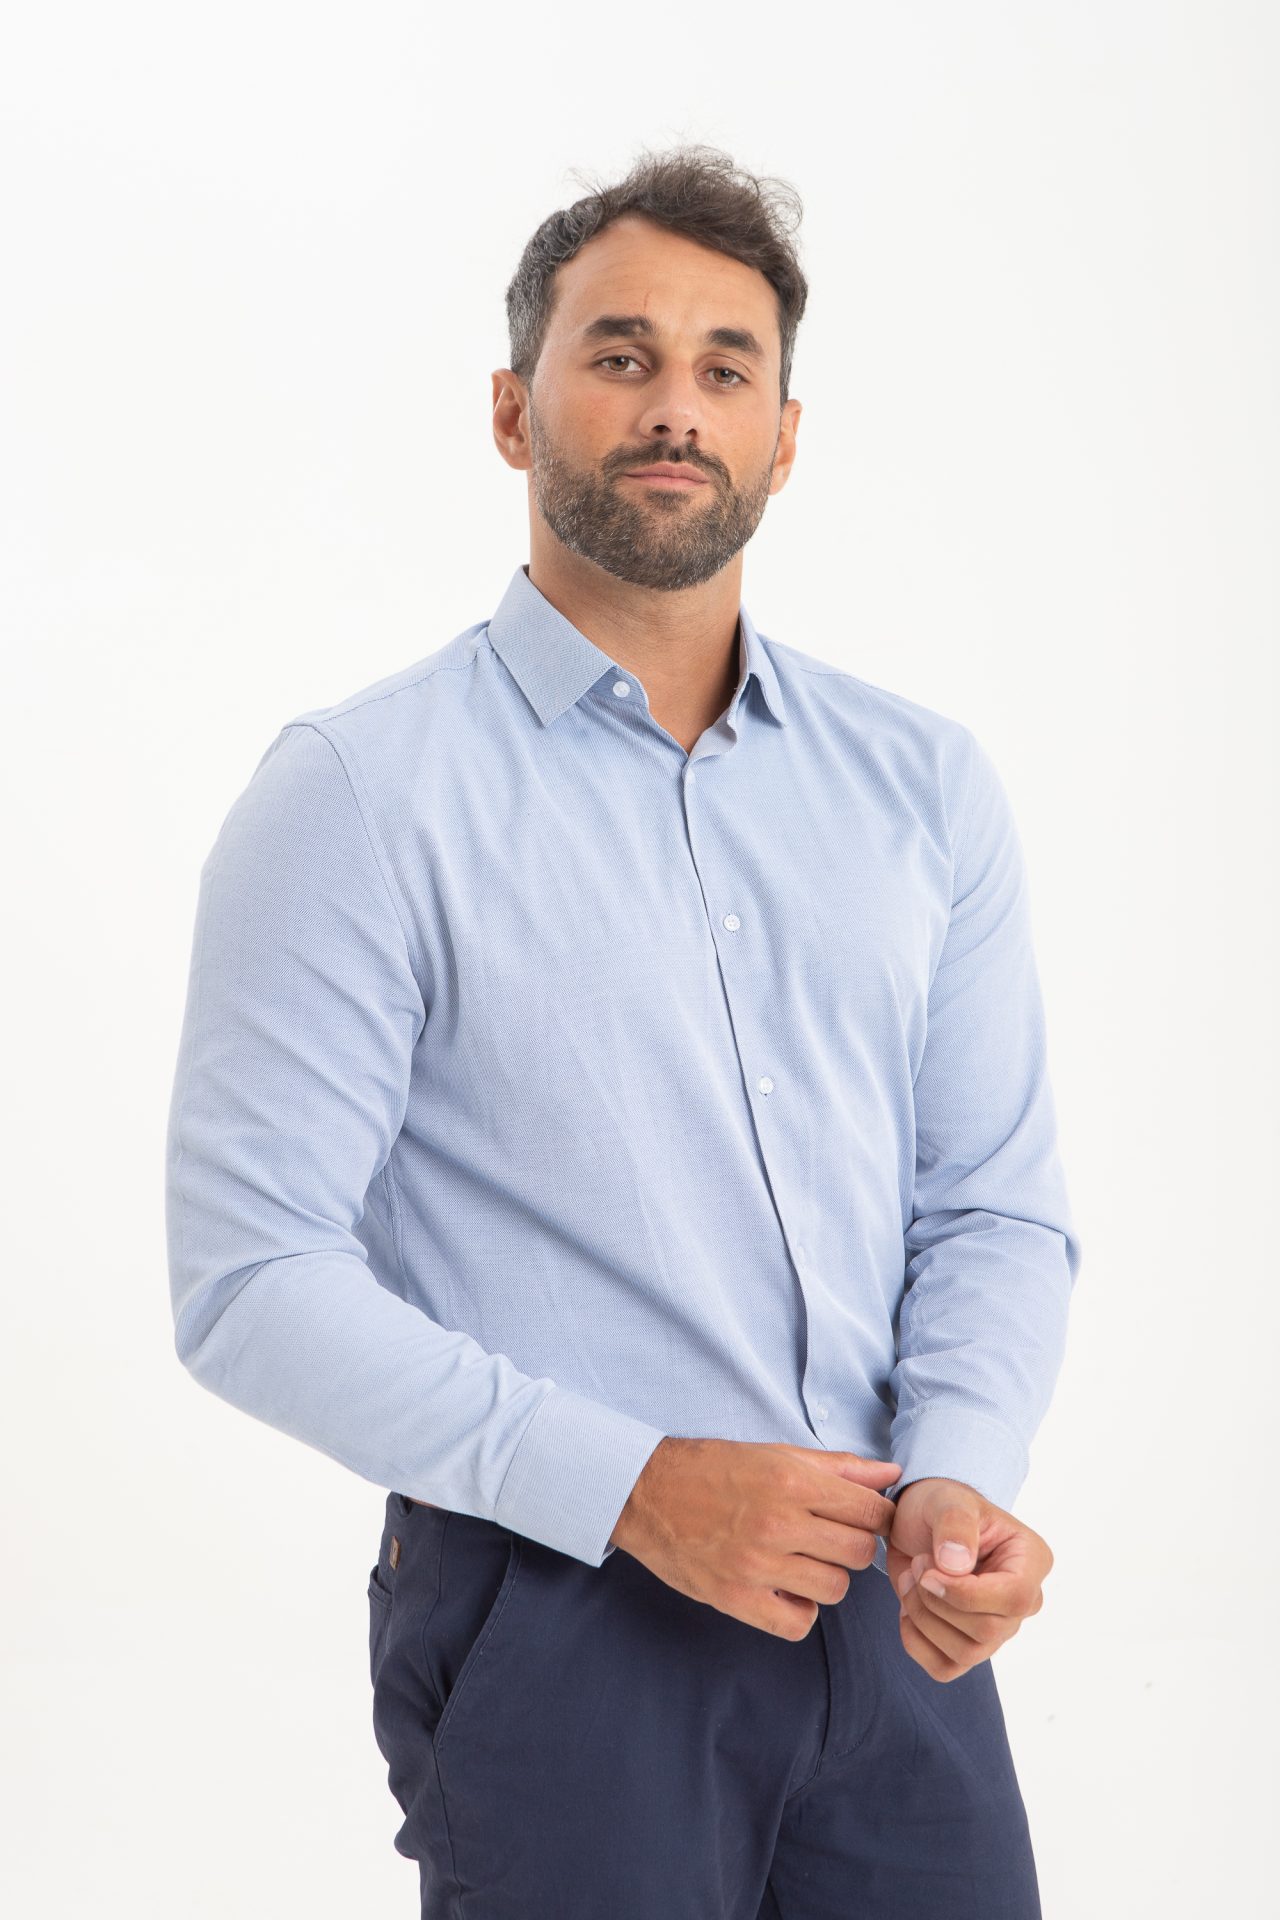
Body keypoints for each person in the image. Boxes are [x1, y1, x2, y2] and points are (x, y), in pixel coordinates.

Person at [165, 142, 1081, 1918]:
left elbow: (989, 1202)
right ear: (515, 412)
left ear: (784, 440)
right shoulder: (357, 794)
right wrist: (638, 1486)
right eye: (621, 355)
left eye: (726, 368)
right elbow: (248, 1279)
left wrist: (961, 1474)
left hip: (893, 1615)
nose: (677, 405)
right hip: (562, 1617)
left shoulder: (923, 788)